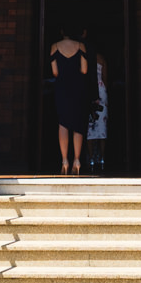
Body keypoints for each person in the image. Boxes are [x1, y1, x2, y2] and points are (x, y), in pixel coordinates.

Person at [49, 29, 89, 175]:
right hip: (78, 87)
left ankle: (64, 160)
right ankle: (77, 160)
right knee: (78, 123)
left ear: (61, 31)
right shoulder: (81, 46)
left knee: (63, 123)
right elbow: (84, 70)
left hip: (62, 88)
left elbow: (55, 73)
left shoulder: (54, 47)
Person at [86, 52, 108, 175]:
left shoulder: (86, 58)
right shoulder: (102, 59)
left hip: (90, 92)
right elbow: (105, 78)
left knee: (90, 128)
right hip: (101, 91)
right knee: (102, 127)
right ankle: (102, 158)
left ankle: (92, 160)